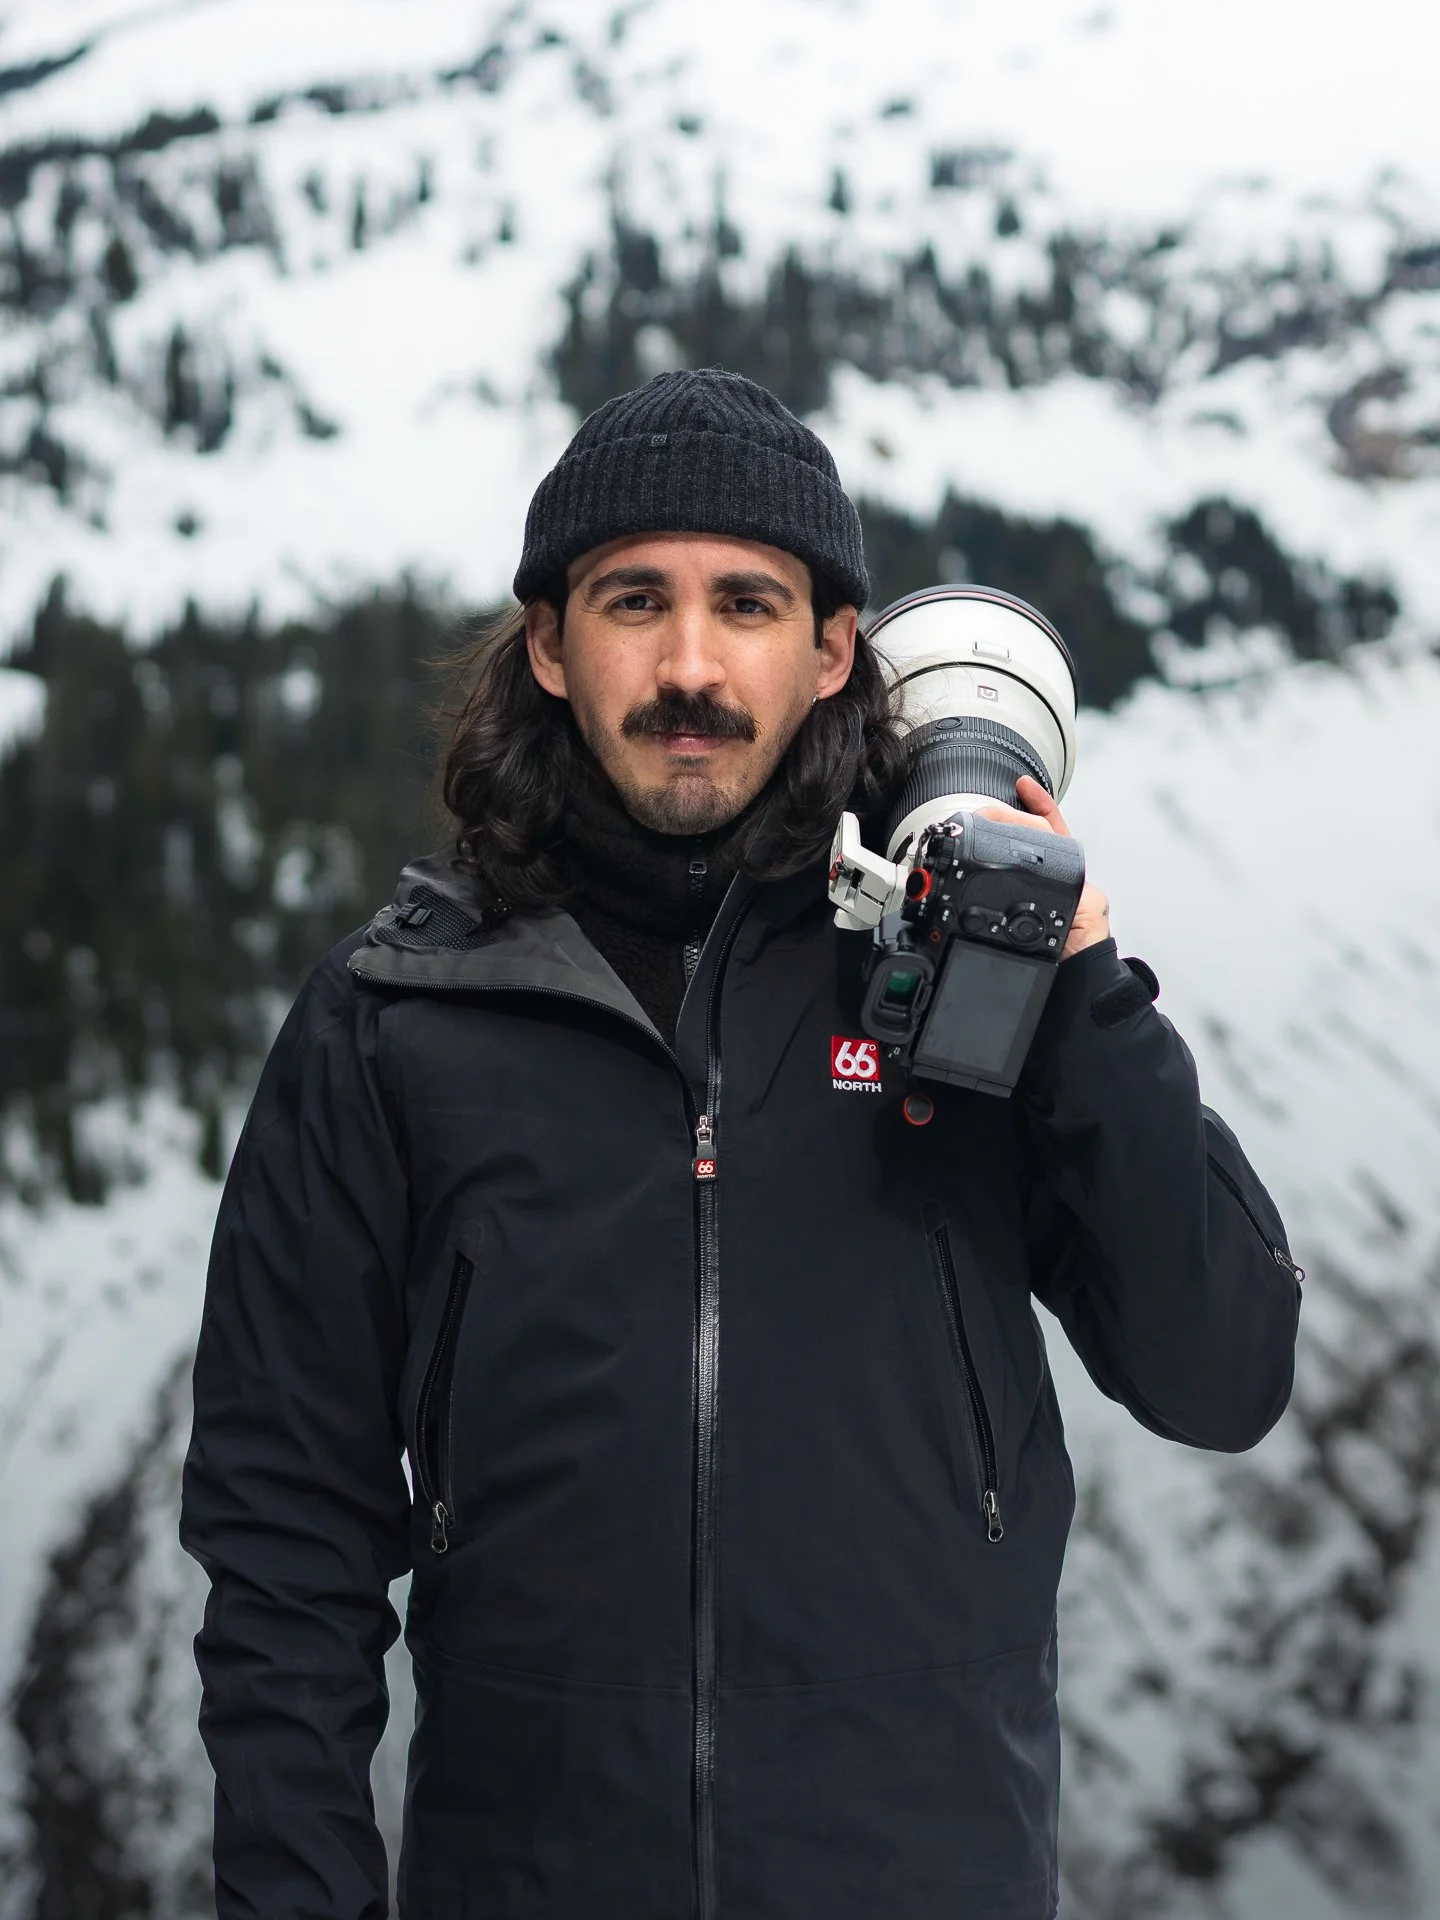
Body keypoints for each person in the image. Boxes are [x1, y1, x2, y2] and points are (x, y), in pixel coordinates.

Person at [180, 369, 1302, 1920]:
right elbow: (283, 1543)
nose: (690, 666)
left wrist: (1085, 1002)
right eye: (635, 600)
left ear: (834, 652)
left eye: (748, 605)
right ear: (551, 645)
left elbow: (1223, 1372)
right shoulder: (392, 1023)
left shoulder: (965, 989)